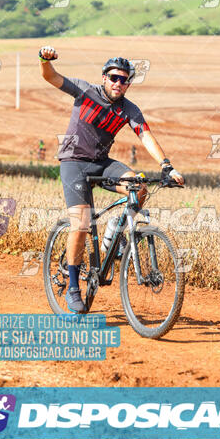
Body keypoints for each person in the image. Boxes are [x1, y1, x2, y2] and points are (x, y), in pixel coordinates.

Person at [39, 46, 184, 314]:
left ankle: (112, 237)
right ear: (104, 78)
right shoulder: (85, 91)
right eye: (114, 77)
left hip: (102, 162)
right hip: (73, 162)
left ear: (128, 84)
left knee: (139, 187)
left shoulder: (129, 109)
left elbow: (145, 135)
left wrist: (167, 166)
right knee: (81, 223)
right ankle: (73, 288)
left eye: (124, 79)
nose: (119, 83)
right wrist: (45, 60)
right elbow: (52, 77)